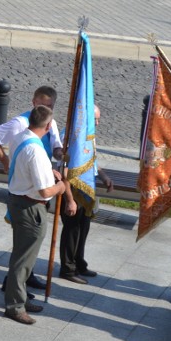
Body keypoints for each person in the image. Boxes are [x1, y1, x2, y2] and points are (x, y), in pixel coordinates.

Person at [0, 85, 64, 293]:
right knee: (24, 241)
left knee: (29, 243)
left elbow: (56, 145)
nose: (46, 108)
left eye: (50, 106)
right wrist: (4, 161)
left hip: (39, 178)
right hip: (27, 187)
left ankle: (25, 276)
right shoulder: (20, 123)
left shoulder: (50, 122)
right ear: (33, 102)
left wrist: (60, 152)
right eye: (42, 105)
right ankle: (14, 284)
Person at [4, 105, 68, 325]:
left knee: (21, 255)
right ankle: (15, 305)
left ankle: (19, 297)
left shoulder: (20, 137)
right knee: (23, 259)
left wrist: (48, 172)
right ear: (49, 126)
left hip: (19, 200)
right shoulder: (38, 151)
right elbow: (45, 191)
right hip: (31, 207)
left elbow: (23, 165)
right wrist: (60, 187)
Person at [59, 105, 114, 284]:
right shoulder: (68, 136)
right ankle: (67, 269)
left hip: (86, 188)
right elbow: (65, 170)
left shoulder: (89, 136)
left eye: (98, 119)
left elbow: (92, 161)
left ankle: (79, 262)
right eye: (95, 119)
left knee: (83, 228)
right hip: (72, 189)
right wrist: (69, 200)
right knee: (72, 230)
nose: (97, 123)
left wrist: (104, 177)